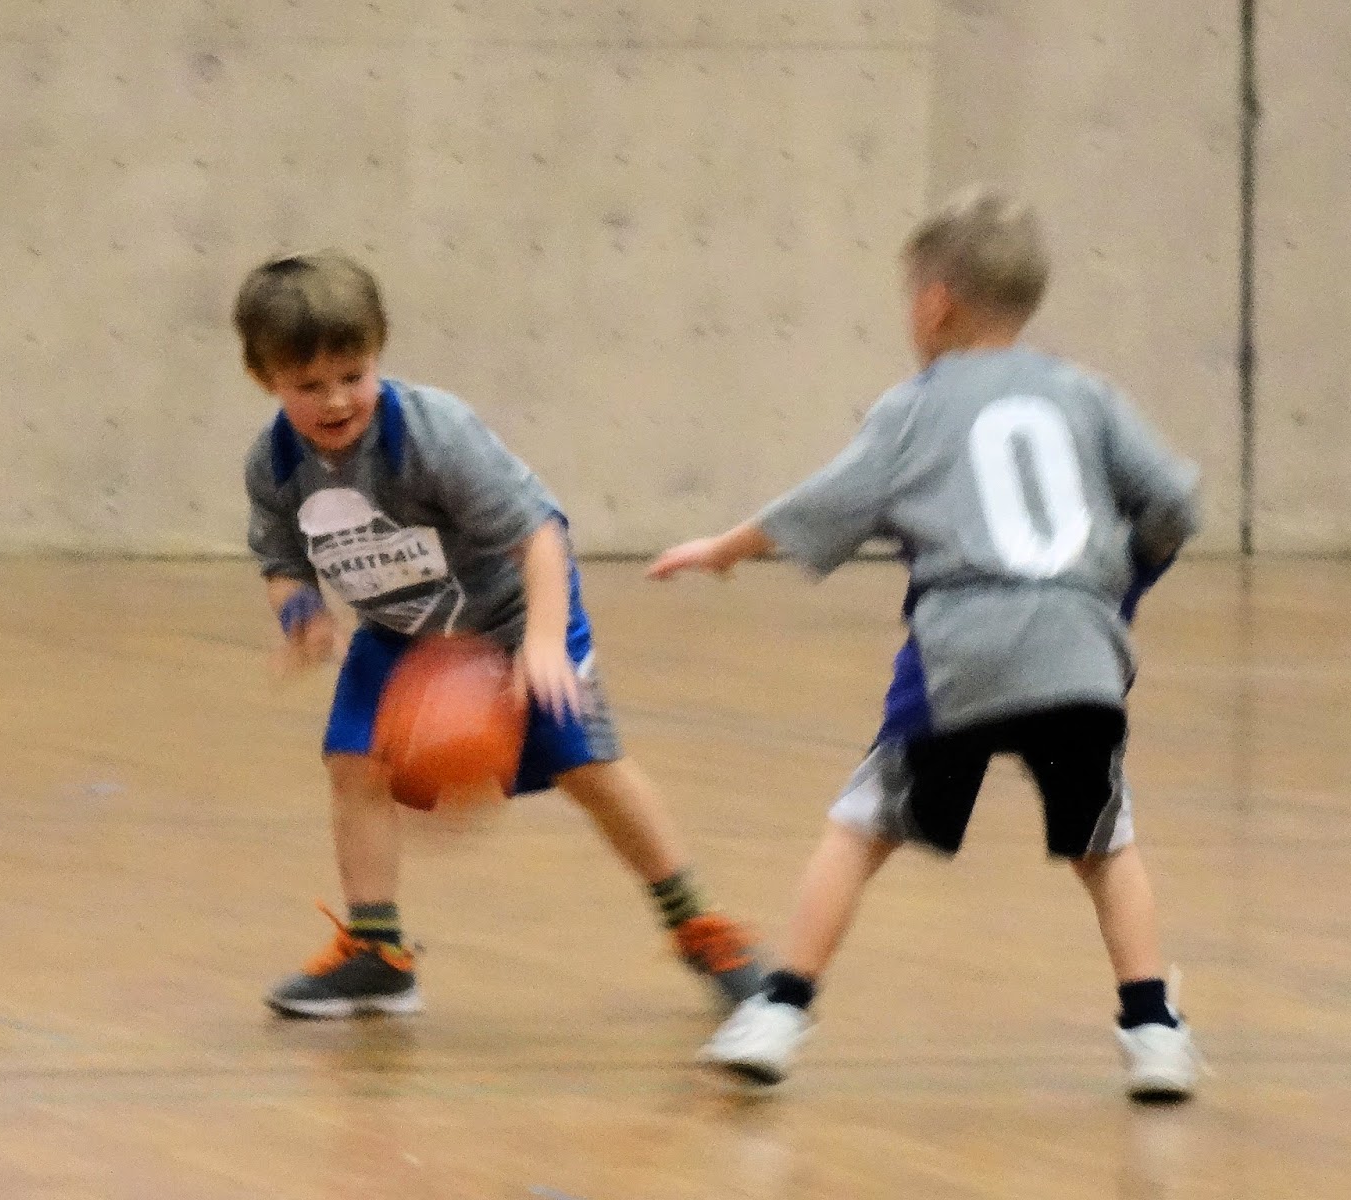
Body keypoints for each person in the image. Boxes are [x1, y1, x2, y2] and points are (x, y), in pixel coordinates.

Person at [649, 188, 1202, 1100]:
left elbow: (823, 505)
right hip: (1080, 652)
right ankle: (1152, 1031)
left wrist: (723, 550)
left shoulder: (915, 407)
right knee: (1106, 843)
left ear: (935, 300)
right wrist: (1118, 581)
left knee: (863, 826)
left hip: (963, 653)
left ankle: (781, 1010)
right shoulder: (1089, 395)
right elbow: (1175, 502)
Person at [236, 250, 763, 1019]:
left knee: (591, 769)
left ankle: (700, 927)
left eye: (353, 374)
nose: (337, 398)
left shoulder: (431, 434)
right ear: (267, 380)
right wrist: (301, 617)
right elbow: (281, 558)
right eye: (309, 385)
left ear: (378, 351)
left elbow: (540, 535)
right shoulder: (275, 464)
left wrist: (544, 643)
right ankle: (377, 953)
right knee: (352, 764)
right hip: (401, 627)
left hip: (517, 614)